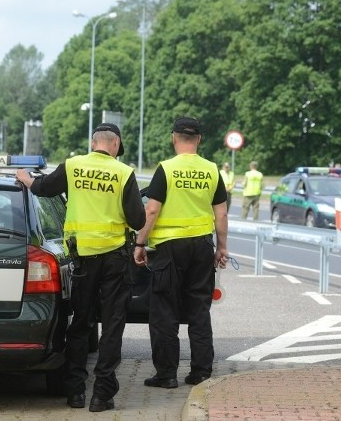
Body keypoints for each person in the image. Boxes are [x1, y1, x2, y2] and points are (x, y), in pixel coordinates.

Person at [16, 123, 145, 413]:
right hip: (115, 258)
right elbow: (137, 220)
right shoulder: (124, 173)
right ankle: (102, 396)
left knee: (81, 324)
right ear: (115, 145)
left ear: (93, 142)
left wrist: (25, 178)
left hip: (82, 259)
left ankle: (75, 393)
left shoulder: (73, 166)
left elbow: (43, 189)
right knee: (112, 325)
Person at [133, 117, 229, 389]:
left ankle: (166, 375)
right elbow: (220, 214)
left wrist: (140, 244)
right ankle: (200, 372)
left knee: (164, 312)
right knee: (199, 310)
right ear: (198, 140)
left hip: (169, 249)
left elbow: (151, 210)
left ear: (174, 137)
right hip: (201, 247)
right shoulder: (212, 170)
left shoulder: (166, 169)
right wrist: (221, 247)